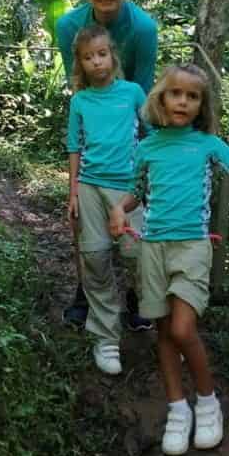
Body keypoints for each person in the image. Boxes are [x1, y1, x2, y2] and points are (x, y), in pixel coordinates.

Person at [108, 64, 229, 456]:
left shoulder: (208, 144)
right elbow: (136, 191)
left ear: (201, 105)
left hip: (192, 245)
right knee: (162, 331)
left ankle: (208, 402)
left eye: (192, 96)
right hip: (153, 247)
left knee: (181, 327)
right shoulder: (148, 147)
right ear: (161, 98)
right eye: (176, 93)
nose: (183, 101)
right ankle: (178, 408)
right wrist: (119, 210)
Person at [57, 0, 158, 328]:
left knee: (136, 222)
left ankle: (137, 296)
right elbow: (78, 79)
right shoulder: (69, 26)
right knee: (82, 212)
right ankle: (87, 291)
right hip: (91, 113)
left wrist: (149, 158)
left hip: (128, 113)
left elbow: (143, 93)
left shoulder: (143, 29)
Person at [66, 25, 152, 374]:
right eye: (89, 57)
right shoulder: (80, 100)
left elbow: (152, 133)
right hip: (89, 186)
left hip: (129, 190)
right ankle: (106, 338)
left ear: (112, 56)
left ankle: (154, 319)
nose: (97, 62)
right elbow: (74, 146)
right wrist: (72, 191)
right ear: (81, 64)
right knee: (95, 259)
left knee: (139, 255)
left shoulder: (132, 93)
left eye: (102, 54)